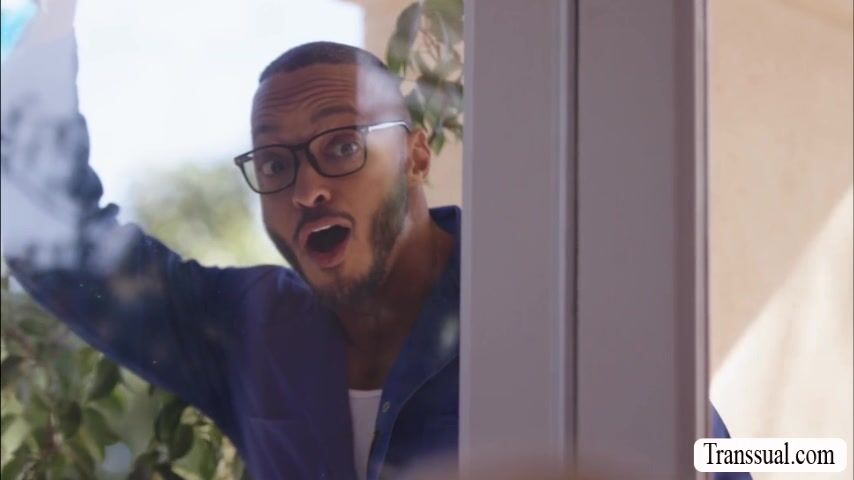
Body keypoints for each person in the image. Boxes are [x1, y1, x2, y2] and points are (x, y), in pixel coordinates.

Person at [2, 41, 749, 480]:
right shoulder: (248, 331)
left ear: (417, 153)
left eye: (342, 146)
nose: (308, 190)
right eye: (275, 165)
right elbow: (54, 238)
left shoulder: (551, 308)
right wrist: (46, 27)